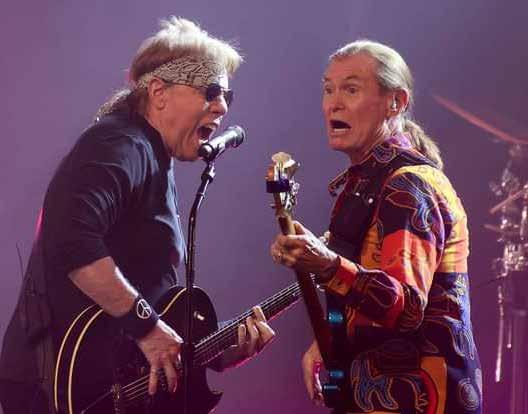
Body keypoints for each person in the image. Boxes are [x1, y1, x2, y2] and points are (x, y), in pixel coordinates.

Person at [0, 17, 274, 414]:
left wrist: (218, 352)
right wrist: (148, 327)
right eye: (211, 91)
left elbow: (153, 311)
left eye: (227, 96)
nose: (222, 106)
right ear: (159, 93)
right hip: (58, 388)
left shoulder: (152, 158)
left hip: (98, 385)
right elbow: (72, 240)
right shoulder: (121, 143)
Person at [270, 40, 482, 413]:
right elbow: (369, 294)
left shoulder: (407, 185)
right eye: (328, 89)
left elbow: (407, 307)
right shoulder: (368, 181)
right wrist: (332, 339)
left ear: (395, 102)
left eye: (351, 90)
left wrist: (328, 265)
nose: (333, 104)